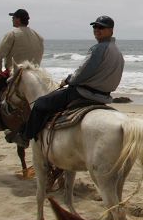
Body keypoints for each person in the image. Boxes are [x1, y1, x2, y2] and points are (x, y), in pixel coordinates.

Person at [12, 15, 125, 148]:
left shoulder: (99, 49)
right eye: (95, 27)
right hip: (104, 96)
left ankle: (25, 138)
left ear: (111, 31)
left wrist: (68, 79)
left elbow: (83, 72)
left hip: (83, 93)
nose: (97, 29)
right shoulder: (118, 52)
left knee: (40, 103)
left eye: (102, 27)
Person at [0, 9, 44, 132]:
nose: (12, 19)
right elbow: (39, 58)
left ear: (18, 19)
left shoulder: (12, 34)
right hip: (35, 74)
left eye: (13, 17)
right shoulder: (39, 37)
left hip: (15, 72)